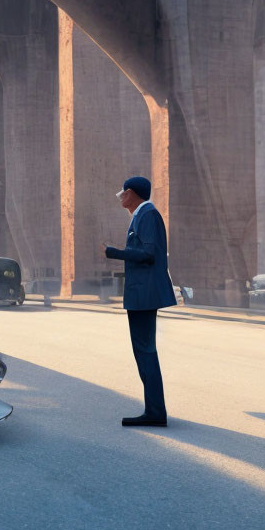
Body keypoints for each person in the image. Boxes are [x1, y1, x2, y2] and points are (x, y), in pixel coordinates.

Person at [101, 177, 176, 427]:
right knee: (143, 351)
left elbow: (149, 254)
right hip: (140, 294)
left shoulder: (148, 215)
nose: (120, 196)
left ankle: (155, 412)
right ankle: (153, 410)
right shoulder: (142, 215)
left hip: (144, 295)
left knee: (145, 351)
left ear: (131, 193)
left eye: (123, 192)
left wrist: (115, 253)